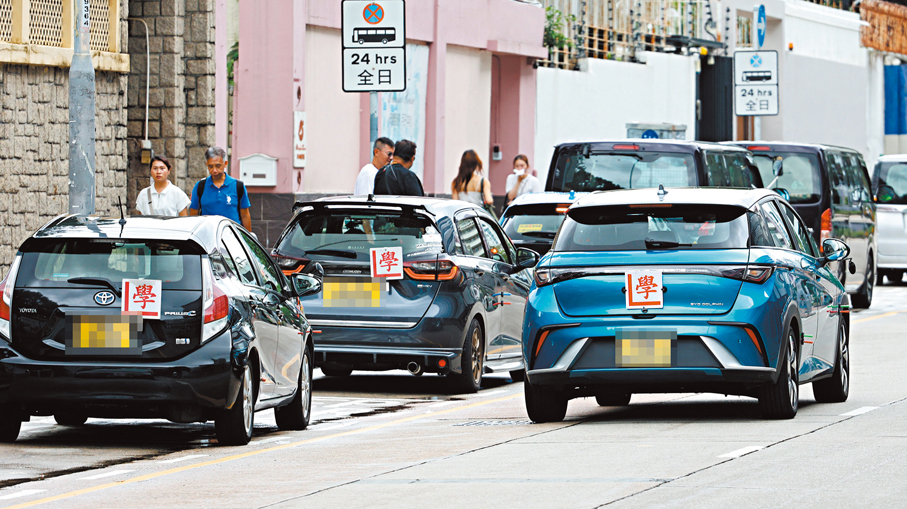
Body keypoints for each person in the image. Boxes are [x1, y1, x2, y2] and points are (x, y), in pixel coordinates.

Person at [188, 147, 252, 230]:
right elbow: (194, 215)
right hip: (207, 235)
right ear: (206, 164)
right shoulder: (200, 186)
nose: (214, 171)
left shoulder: (237, 186)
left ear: (225, 163)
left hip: (233, 236)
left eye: (218, 166)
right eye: (210, 167)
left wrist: (248, 239)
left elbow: (245, 215)